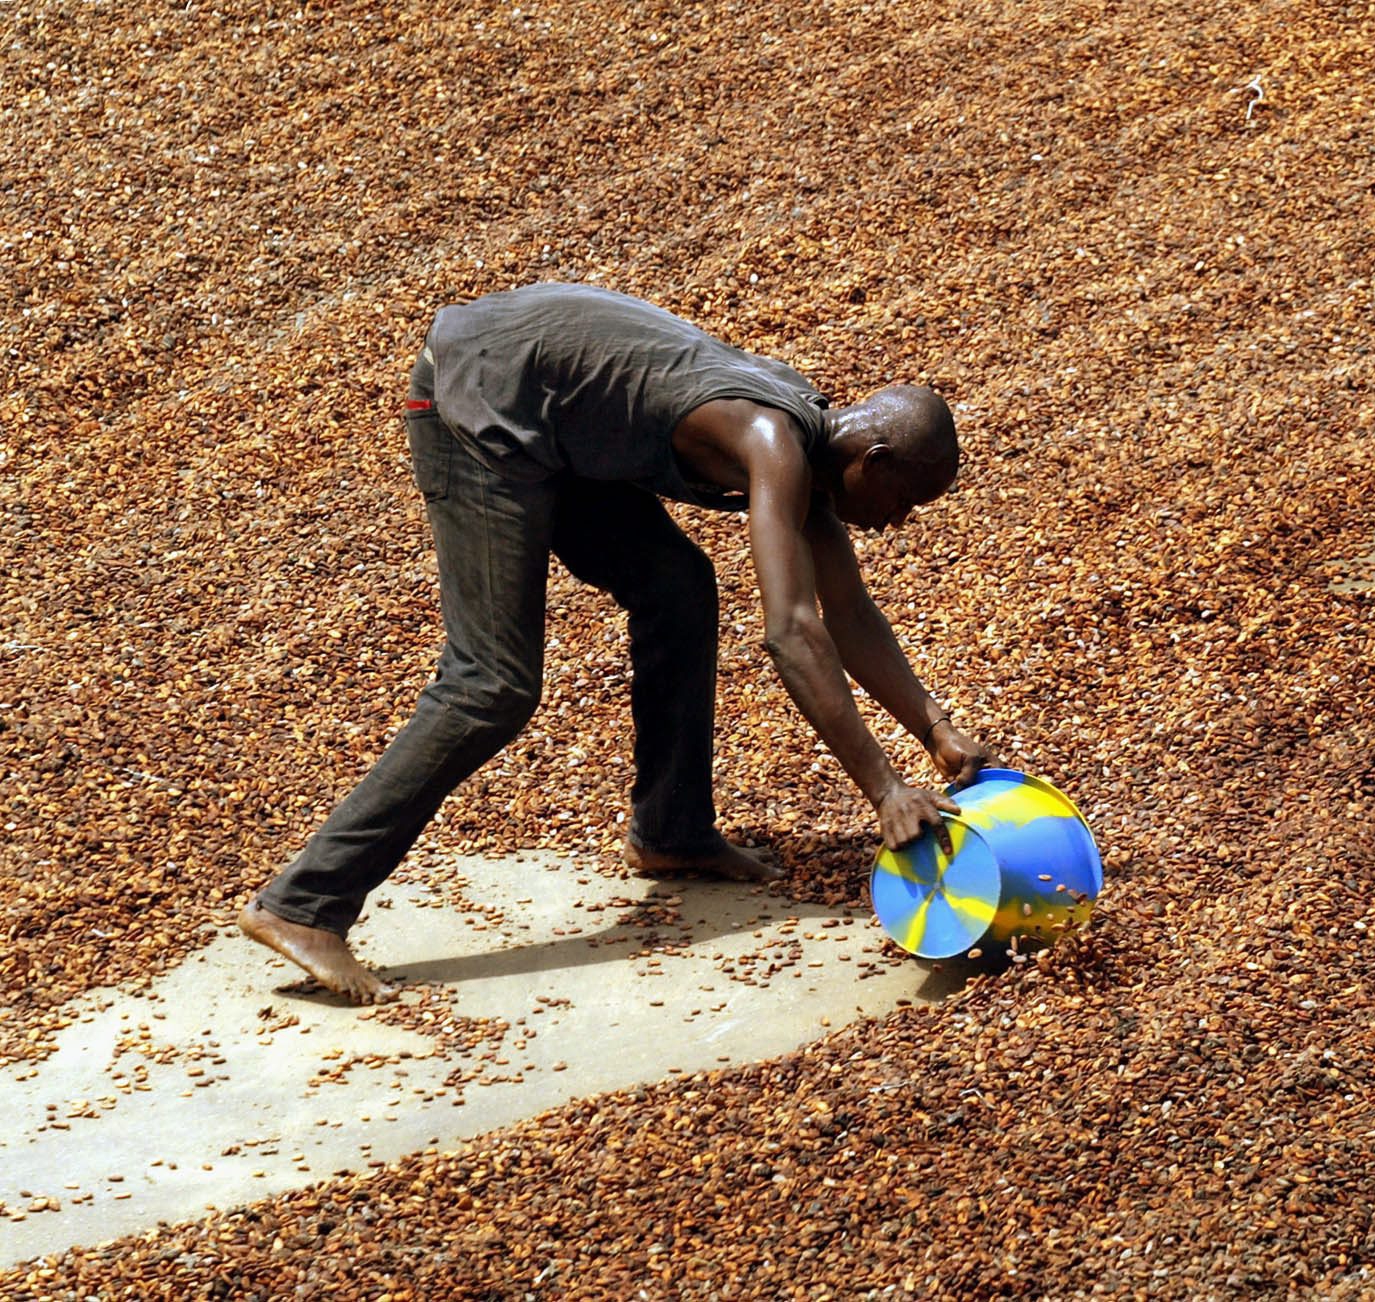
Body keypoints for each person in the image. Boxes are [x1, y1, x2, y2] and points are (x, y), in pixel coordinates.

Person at [239, 283, 992, 1003]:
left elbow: (848, 613)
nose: (898, 521)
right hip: (481, 403)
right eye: (904, 502)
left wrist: (935, 729)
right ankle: (307, 901)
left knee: (677, 590)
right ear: (876, 461)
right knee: (490, 684)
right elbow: (791, 632)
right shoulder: (775, 441)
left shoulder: (817, 453)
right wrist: (885, 790)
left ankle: (673, 829)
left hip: (557, 424)